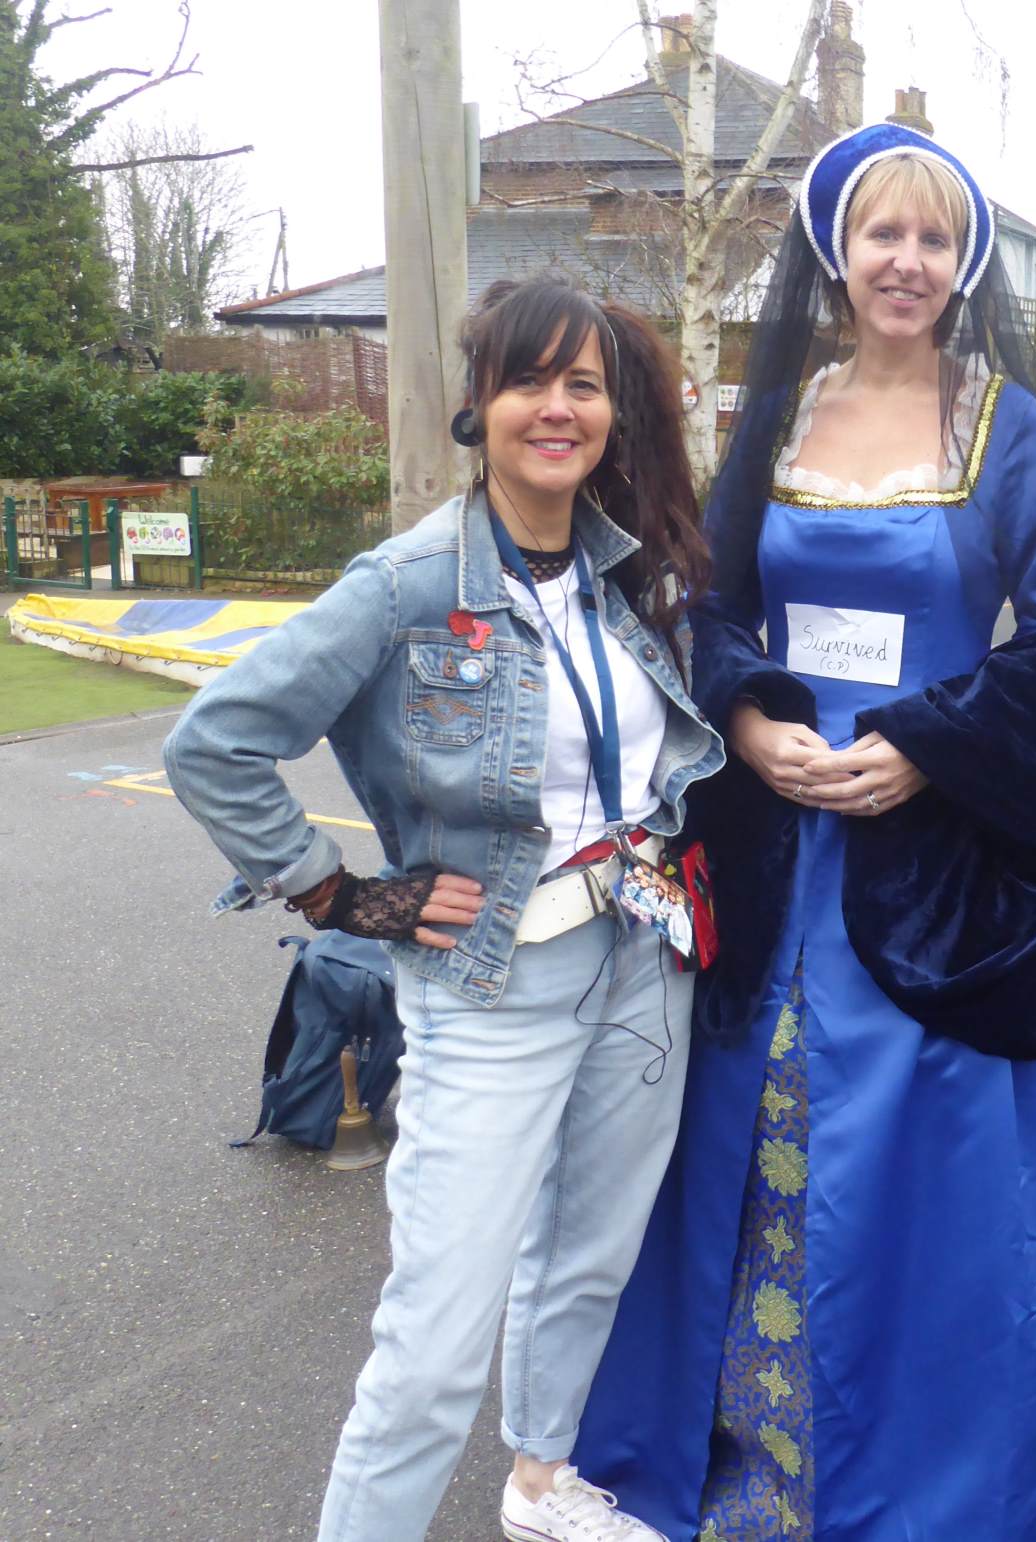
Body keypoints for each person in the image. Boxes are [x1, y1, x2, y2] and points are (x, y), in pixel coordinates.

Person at [571, 123, 1036, 1541]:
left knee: (920, 1166)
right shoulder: (779, 415)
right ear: (836, 252)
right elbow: (708, 600)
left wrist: (932, 748)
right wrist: (747, 717)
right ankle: (752, 1468)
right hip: (778, 833)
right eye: (884, 233)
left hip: (932, 853)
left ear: (965, 264)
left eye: (936, 239)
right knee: (754, 1136)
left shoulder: (1006, 423)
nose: (908, 261)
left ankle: (913, 1488)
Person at [162, 278, 724, 1542]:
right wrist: (339, 893)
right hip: (489, 985)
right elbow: (214, 743)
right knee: (434, 1342)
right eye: (530, 382)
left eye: (584, 385)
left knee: (588, 1260)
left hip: (641, 960)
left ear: (611, 414)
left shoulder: (618, 570)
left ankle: (540, 1485)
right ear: (480, 404)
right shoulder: (409, 581)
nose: (558, 408)